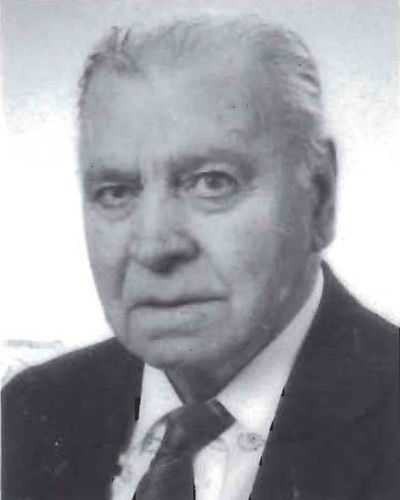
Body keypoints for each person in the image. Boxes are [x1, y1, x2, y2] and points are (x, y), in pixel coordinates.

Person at [2, 16, 398, 500]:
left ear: (319, 196)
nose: (153, 247)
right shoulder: (30, 412)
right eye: (116, 192)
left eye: (212, 183)